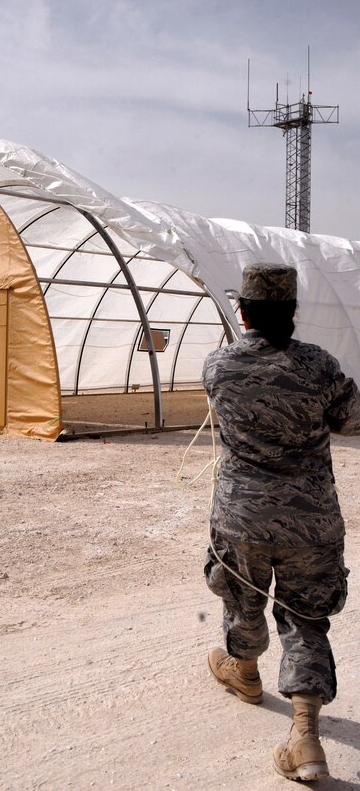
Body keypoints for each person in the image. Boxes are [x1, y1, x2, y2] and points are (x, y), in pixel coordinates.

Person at [201, 262, 360, 782]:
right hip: (311, 521)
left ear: (243, 312)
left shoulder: (219, 366)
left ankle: (245, 672)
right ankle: (305, 737)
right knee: (304, 618)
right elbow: (352, 420)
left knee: (241, 597)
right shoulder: (320, 366)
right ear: (293, 312)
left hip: (241, 515)